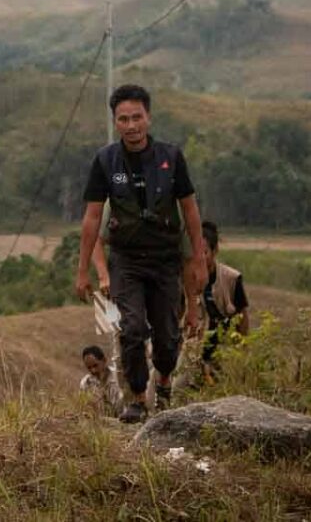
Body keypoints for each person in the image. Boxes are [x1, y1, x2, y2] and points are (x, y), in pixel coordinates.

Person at [75, 84, 206, 423]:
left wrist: (199, 259)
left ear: (148, 118)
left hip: (165, 260)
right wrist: (82, 271)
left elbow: (190, 211)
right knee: (131, 329)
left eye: (137, 117)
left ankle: (162, 379)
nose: (131, 125)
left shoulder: (171, 157)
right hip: (126, 261)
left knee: (166, 334)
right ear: (115, 122)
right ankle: (137, 397)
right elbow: (91, 218)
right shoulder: (105, 161)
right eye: (123, 119)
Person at [198, 221, 250, 379]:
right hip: (194, 352)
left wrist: (242, 350)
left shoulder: (231, 278)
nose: (199, 257)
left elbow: (243, 317)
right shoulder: (185, 279)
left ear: (215, 251)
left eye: (204, 252)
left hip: (223, 348)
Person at [79, 345, 123, 418]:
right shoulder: (86, 383)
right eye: (89, 368)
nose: (93, 370)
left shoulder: (118, 378)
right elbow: (84, 409)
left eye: (95, 365)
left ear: (104, 360)